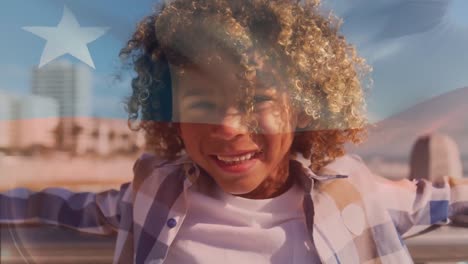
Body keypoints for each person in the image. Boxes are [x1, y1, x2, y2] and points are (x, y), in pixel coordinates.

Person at [1, 0, 468, 263]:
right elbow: (62, 209)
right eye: (201, 103)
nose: (227, 126)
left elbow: (442, 198)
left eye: (257, 100)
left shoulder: (352, 189)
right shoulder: (154, 189)